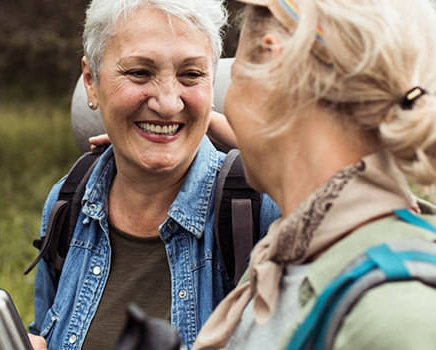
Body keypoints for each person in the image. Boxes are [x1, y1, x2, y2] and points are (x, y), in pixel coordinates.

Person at [27, 0, 281, 349]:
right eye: (140, 73)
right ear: (91, 81)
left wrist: (260, 153)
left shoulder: (260, 206)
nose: (168, 104)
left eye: (191, 74)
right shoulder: (68, 202)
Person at [192, 0, 436, 349]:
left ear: (274, 68)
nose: (228, 101)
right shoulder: (292, 253)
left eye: (237, 73)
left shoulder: (394, 317)